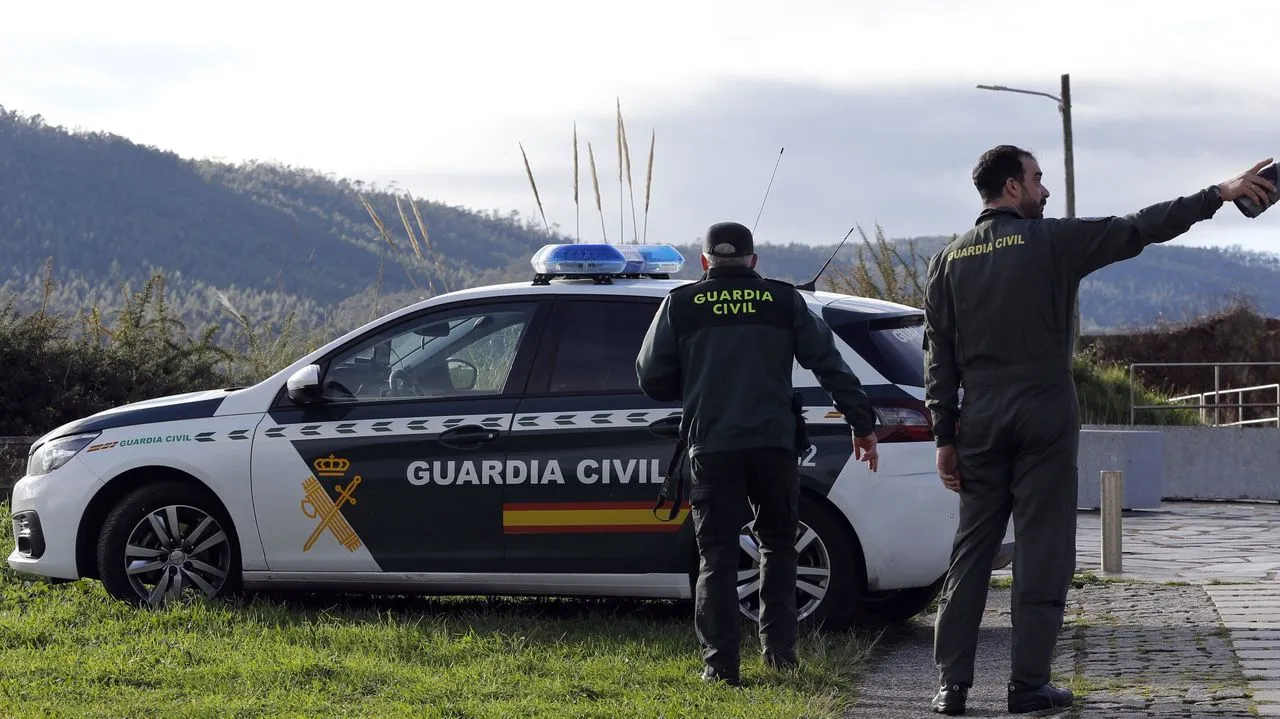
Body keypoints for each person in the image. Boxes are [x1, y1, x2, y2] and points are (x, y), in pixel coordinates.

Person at [923, 145, 1276, 715]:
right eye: (1037, 180)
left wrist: (944, 435)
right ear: (1011, 188)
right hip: (1043, 408)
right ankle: (1027, 685)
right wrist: (1218, 194)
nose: (1044, 191)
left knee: (971, 551)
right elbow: (1140, 227)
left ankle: (951, 687)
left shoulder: (948, 261)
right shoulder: (1052, 241)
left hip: (979, 418)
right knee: (1043, 546)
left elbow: (936, 355)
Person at [635, 220, 880, 686]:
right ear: (754, 260)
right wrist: (861, 425)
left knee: (718, 558)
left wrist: (694, 384)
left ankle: (720, 667)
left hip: (713, 446)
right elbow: (829, 364)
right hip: (774, 445)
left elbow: (650, 378)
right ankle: (780, 654)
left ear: (704, 261)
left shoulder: (681, 304)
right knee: (778, 547)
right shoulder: (784, 300)